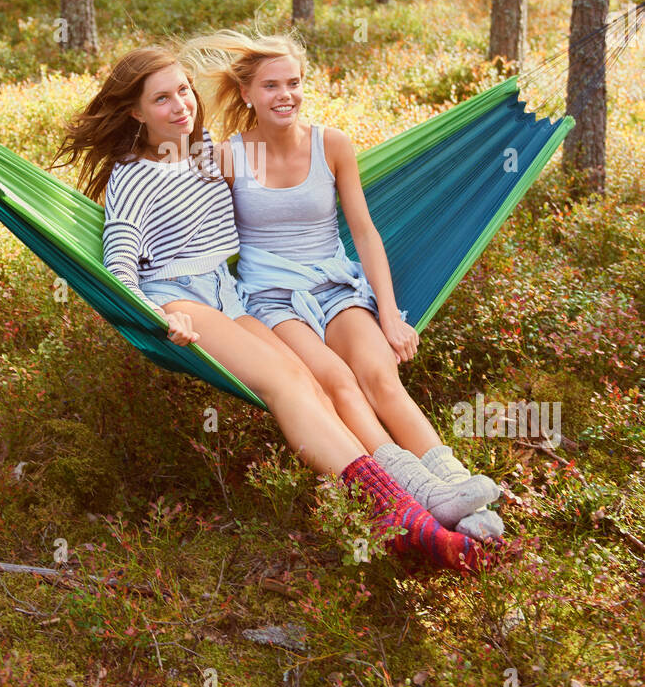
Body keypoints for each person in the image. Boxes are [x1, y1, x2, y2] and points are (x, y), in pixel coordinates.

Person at [51, 45, 494, 573]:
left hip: (228, 293)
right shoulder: (133, 175)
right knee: (287, 386)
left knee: (307, 380)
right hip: (179, 298)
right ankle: (400, 514)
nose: (180, 106)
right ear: (135, 112)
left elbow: (280, 169)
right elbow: (119, 262)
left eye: (184, 91)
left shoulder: (207, 154)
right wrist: (157, 312)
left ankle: (421, 490)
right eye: (161, 99)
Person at [179, 28, 504, 543]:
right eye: (271, 86)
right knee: (339, 383)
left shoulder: (331, 145)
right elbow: (185, 214)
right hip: (270, 301)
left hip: (337, 287)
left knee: (381, 377)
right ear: (246, 94)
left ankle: (456, 488)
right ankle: (420, 490)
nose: (285, 95)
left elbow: (365, 232)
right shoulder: (226, 157)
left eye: (294, 82)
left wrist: (391, 314)